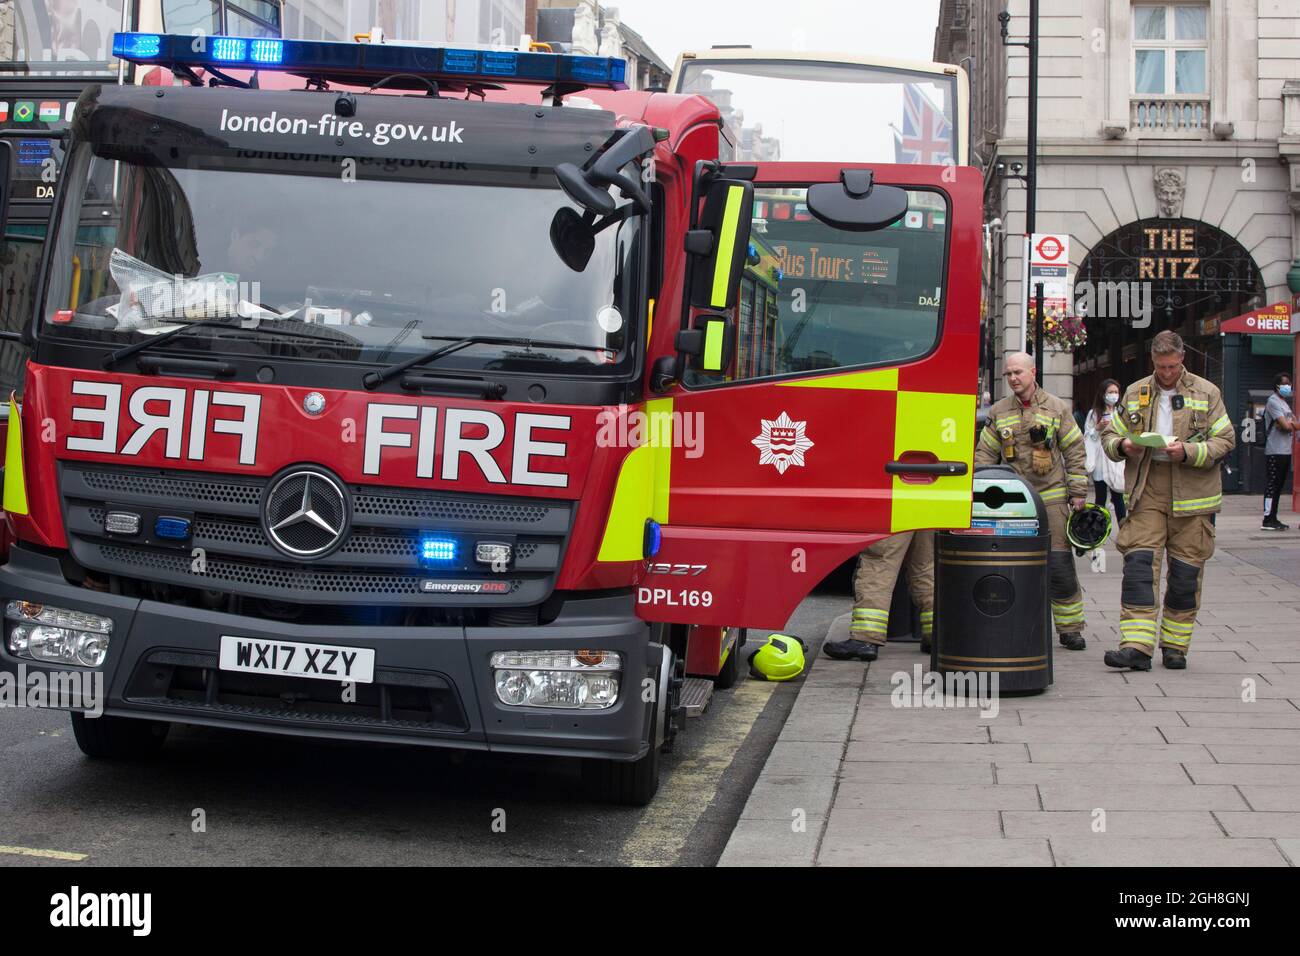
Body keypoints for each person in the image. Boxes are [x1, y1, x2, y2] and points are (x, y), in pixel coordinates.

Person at [1100, 330, 1235, 671]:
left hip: (1194, 494)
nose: (1167, 373)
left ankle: (1175, 647)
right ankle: (1136, 647)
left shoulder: (1207, 392)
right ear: (1153, 362)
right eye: (1161, 367)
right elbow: (1110, 434)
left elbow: (1226, 440)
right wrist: (1124, 446)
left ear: (1182, 359)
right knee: (1139, 568)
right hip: (1148, 489)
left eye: (1172, 367)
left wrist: (1187, 452)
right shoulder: (1137, 392)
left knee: (1185, 576)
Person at [974, 352, 1090, 650]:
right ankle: (1019, 619)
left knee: (1059, 564)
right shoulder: (998, 411)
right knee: (1013, 563)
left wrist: (1078, 493)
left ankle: (1070, 629)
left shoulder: (1056, 408)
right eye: (1009, 373)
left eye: (1018, 372)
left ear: (1033, 372)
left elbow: (1075, 450)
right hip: (1013, 501)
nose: (1013, 378)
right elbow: (985, 455)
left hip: (1050, 498)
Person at [824, 532, 934, 662]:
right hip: (935, 513)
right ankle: (935, 636)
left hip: (899, 513)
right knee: (926, 567)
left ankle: (865, 638)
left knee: (879, 562)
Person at [1084, 378, 1127, 522]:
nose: (1114, 395)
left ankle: (1123, 532)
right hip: (1101, 460)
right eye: (1110, 392)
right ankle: (1097, 532)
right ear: (1103, 394)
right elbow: (1088, 436)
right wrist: (1098, 428)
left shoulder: (1121, 412)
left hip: (1116, 458)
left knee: (1118, 497)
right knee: (1100, 498)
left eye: (1116, 392)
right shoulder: (1094, 414)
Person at [1261, 373, 1296, 531]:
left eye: (1289, 383)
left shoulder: (1284, 403)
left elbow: (1288, 424)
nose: (1288, 386)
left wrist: (1288, 424)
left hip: (1285, 449)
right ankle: (1268, 519)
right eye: (1285, 384)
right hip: (1275, 449)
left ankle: (1274, 517)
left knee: (1279, 485)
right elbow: (1286, 425)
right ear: (1277, 386)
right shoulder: (1273, 401)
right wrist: (1288, 424)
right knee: (1273, 484)